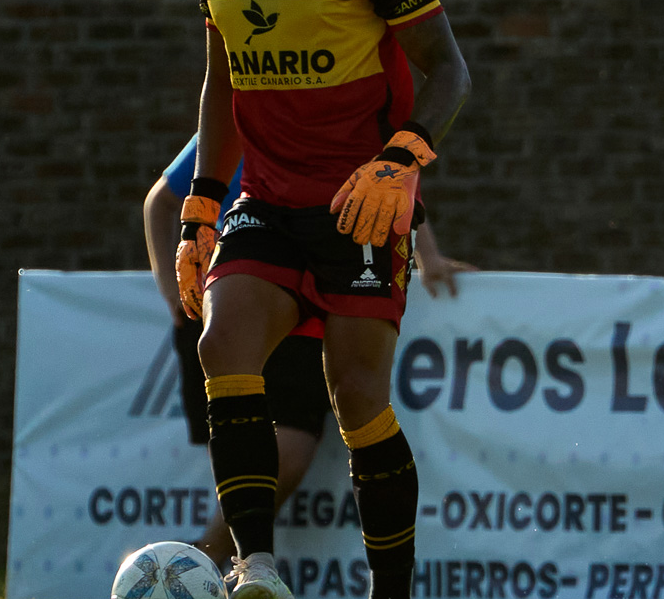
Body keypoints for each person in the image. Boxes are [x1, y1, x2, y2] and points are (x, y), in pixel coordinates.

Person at [176, 0, 471, 599]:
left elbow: (447, 67)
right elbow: (223, 82)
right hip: (263, 194)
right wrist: (200, 205)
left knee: (358, 397)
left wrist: (403, 158)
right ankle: (253, 566)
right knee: (224, 342)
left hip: (358, 203)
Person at [142, 137, 478, 565]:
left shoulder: (340, 115)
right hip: (229, 291)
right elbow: (161, 201)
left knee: (302, 435)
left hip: (312, 280)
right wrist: (172, 291)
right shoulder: (239, 122)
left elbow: (389, 175)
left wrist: (427, 256)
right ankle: (241, 558)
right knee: (236, 429)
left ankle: (225, 554)